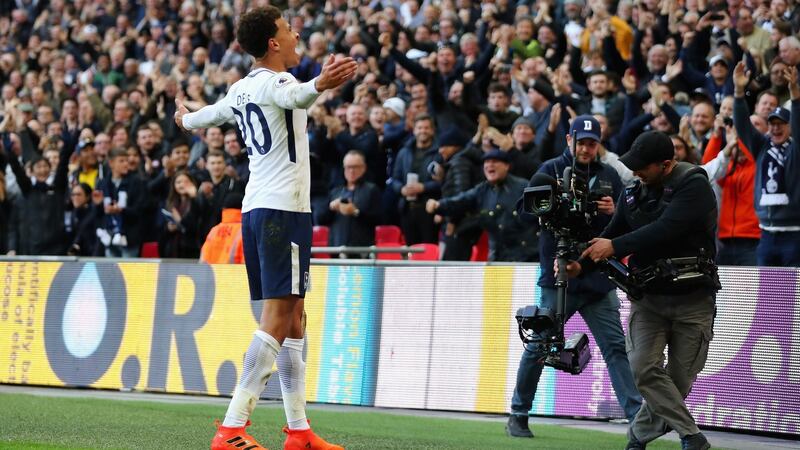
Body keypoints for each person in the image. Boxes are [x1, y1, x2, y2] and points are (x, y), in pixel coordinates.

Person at [174, 6, 355, 450]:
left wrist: (183, 119)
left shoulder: (240, 88)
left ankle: (298, 431)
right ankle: (231, 428)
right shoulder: (281, 82)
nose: (295, 35)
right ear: (274, 42)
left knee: (295, 318)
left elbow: (205, 117)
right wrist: (320, 85)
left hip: (258, 211)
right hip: (282, 212)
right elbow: (296, 98)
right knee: (277, 320)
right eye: (289, 30)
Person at [577, 131, 720, 450]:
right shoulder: (632, 193)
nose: (635, 172)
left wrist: (614, 245)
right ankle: (692, 436)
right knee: (643, 367)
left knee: (678, 383)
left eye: (643, 166)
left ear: (666, 164)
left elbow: (666, 228)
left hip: (693, 301)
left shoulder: (695, 185)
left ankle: (637, 438)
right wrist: (579, 263)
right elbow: (610, 235)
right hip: (649, 301)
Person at [504, 116, 641, 438]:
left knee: (616, 348)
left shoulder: (609, 175)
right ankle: (518, 413)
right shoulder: (550, 170)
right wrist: (552, 205)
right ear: (569, 139)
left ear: (599, 143)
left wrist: (613, 211)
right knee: (538, 344)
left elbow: (626, 225)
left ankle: (638, 418)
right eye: (581, 142)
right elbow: (524, 211)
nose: (586, 149)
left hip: (597, 277)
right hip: (559, 274)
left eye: (592, 143)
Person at [732, 62, 800, 266]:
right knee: (767, 296)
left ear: (790, 126)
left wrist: (795, 95)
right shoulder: (761, 146)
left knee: (792, 296)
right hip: (766, 235)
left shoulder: (796, 148)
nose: (776, 128)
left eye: (782, 124)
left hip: (795, 235)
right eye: (772, 124)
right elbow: (742, 125)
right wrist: (738, 91)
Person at [426, 149, 538, 262]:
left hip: (526, 257)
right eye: (486, 162)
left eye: (494, 161)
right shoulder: (482, 190)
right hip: (497, 257)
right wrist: (439, 205)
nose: (489, 165)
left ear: (506, 166)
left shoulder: (523, 187)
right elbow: (461, 201)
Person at [318, 150, 382, 251]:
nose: (351, 171)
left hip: (362, 249)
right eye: (348, 167)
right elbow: (320, 219)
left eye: (355, 167)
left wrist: (356, 212)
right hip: (336, 249)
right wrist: (331, 208)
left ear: (364, 168)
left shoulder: (371, 190)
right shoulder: (335, 191)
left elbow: (379, 220)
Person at [200, 192, 245, 264]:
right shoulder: (244, 230)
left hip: (212, 274)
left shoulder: (214, 230)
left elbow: (204, 258)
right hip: (233, 274)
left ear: (224, 209)